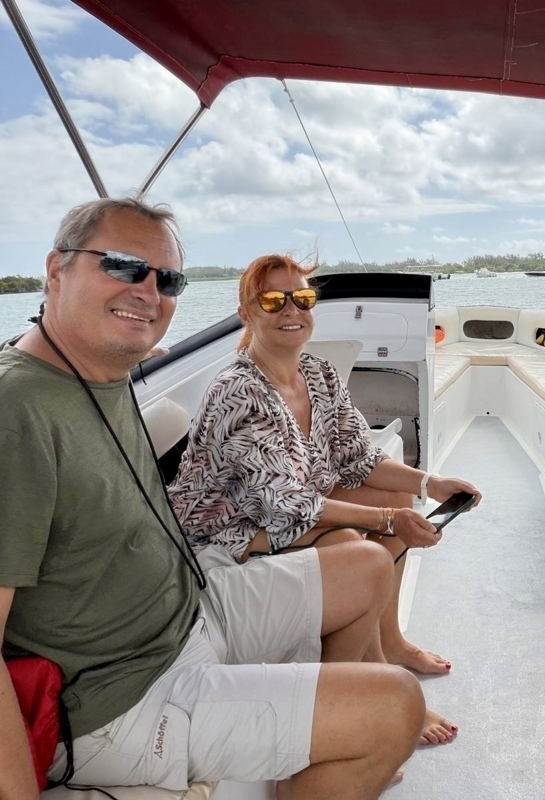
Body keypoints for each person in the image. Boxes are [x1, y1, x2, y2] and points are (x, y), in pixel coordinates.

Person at [0, 197, 422, 798]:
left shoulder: (97, 370)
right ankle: (335, 732)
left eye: (167, 279)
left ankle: (311, 743)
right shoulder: (16, 411)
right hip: (116, 695)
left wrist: (423, 490)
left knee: (366, 565)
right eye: (122, 266)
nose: (148, 291)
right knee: (393, 708)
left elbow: (351, 457)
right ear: (56, 269)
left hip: (187, 609)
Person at [169, 253, 481, 745]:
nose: (291, 309)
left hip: (283, 510)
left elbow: (359, 455)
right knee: (351, 542)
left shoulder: (316, 373)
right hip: (225, 537)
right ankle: (358, 698)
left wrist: (429, 485)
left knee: (396, 489)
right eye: (273, 300)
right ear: (247, 312)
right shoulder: (238, 391)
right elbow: (285, 505)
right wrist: (387, 520)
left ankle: (391, 641)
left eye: (303, 298)